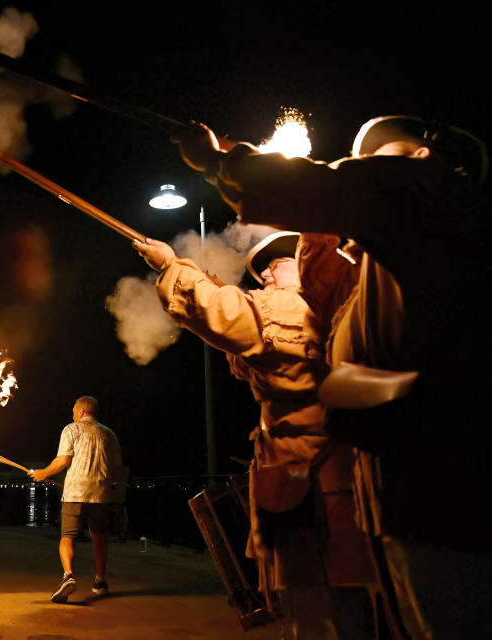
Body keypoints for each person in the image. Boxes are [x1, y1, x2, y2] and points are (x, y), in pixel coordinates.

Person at [170, 115, 492, 639]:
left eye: (383, 156)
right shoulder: (378, 261)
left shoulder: (429, 188)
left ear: (427, 153)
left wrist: (224, 162)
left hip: (436, 476)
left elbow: (327, 194)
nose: (370, 168)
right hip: (395, 483)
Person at [134, 232, 376, 639]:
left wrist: (170, 265)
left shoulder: (290, 306)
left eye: (277, 262)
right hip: (348, 476)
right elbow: (244, 352)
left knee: (316, 611)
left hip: (304, 482)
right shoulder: (346, 302)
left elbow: (218, 311)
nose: (265, 273)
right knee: (354, 603)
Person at [29, 396, 124, 603]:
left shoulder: (72, 429)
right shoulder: (109, 434)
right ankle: (100, 581)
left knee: (68, 536)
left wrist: (43, 473)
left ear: (81, 411)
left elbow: (63, 460)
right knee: (99, 536)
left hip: (74, 493)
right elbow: (117, 469)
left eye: (73, 410)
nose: (72, 413)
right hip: (101, 494)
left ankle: (68, 576)